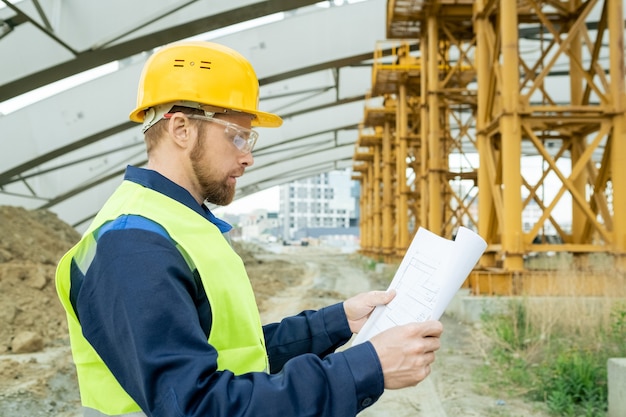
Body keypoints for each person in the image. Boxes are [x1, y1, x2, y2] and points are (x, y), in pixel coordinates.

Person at [55, 41, 443, 417]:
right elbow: (198, 406)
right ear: (181, 129)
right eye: (236, 136)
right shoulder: (134, 244)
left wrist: (339, 321)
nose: (248, 156)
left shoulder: (179, 224)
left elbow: (238, 356)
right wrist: (366, 367)